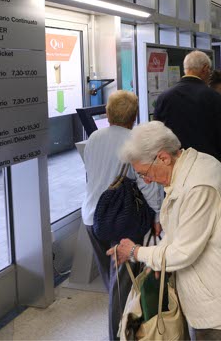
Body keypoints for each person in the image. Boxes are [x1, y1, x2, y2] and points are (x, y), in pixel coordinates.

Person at [109, 122, 221, 340]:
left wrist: (135, 252)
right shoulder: (196, 163)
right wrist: (159, 260)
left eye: (145, 173)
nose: (146, 180)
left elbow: (183, 251)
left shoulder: (198, 186)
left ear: (163, 157)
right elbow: (182, 229)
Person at [81, 91, 164, 341]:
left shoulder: (94, 137)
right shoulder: (136, 141)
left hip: (92, 217)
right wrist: (158, 215)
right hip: (123, 221)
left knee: (113, 283)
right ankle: (120, 335)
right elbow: (148, 185)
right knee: (123, 285)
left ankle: (126, 326)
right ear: (135, 115)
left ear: (107, 113)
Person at [153, 50, 221, 168]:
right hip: (207, 165)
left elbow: (158, 134)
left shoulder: (164, 97)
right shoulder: (214, 97)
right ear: (205, 69)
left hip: (175, 165)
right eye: (209, 71)